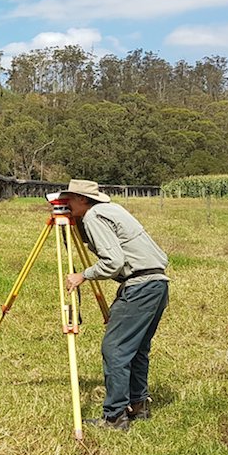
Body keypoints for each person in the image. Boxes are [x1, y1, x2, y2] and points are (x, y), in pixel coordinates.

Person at [62, 179, 169, 431]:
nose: (66, 202)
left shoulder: (94, 216)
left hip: (140, 286)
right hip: (157, 283)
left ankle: (115, 417)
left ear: (83, 200)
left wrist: (83, 276)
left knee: (116, 350)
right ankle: (138, 405)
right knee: (138, 349)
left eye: (70, 198)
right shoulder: (112, 210)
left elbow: (114, 261)